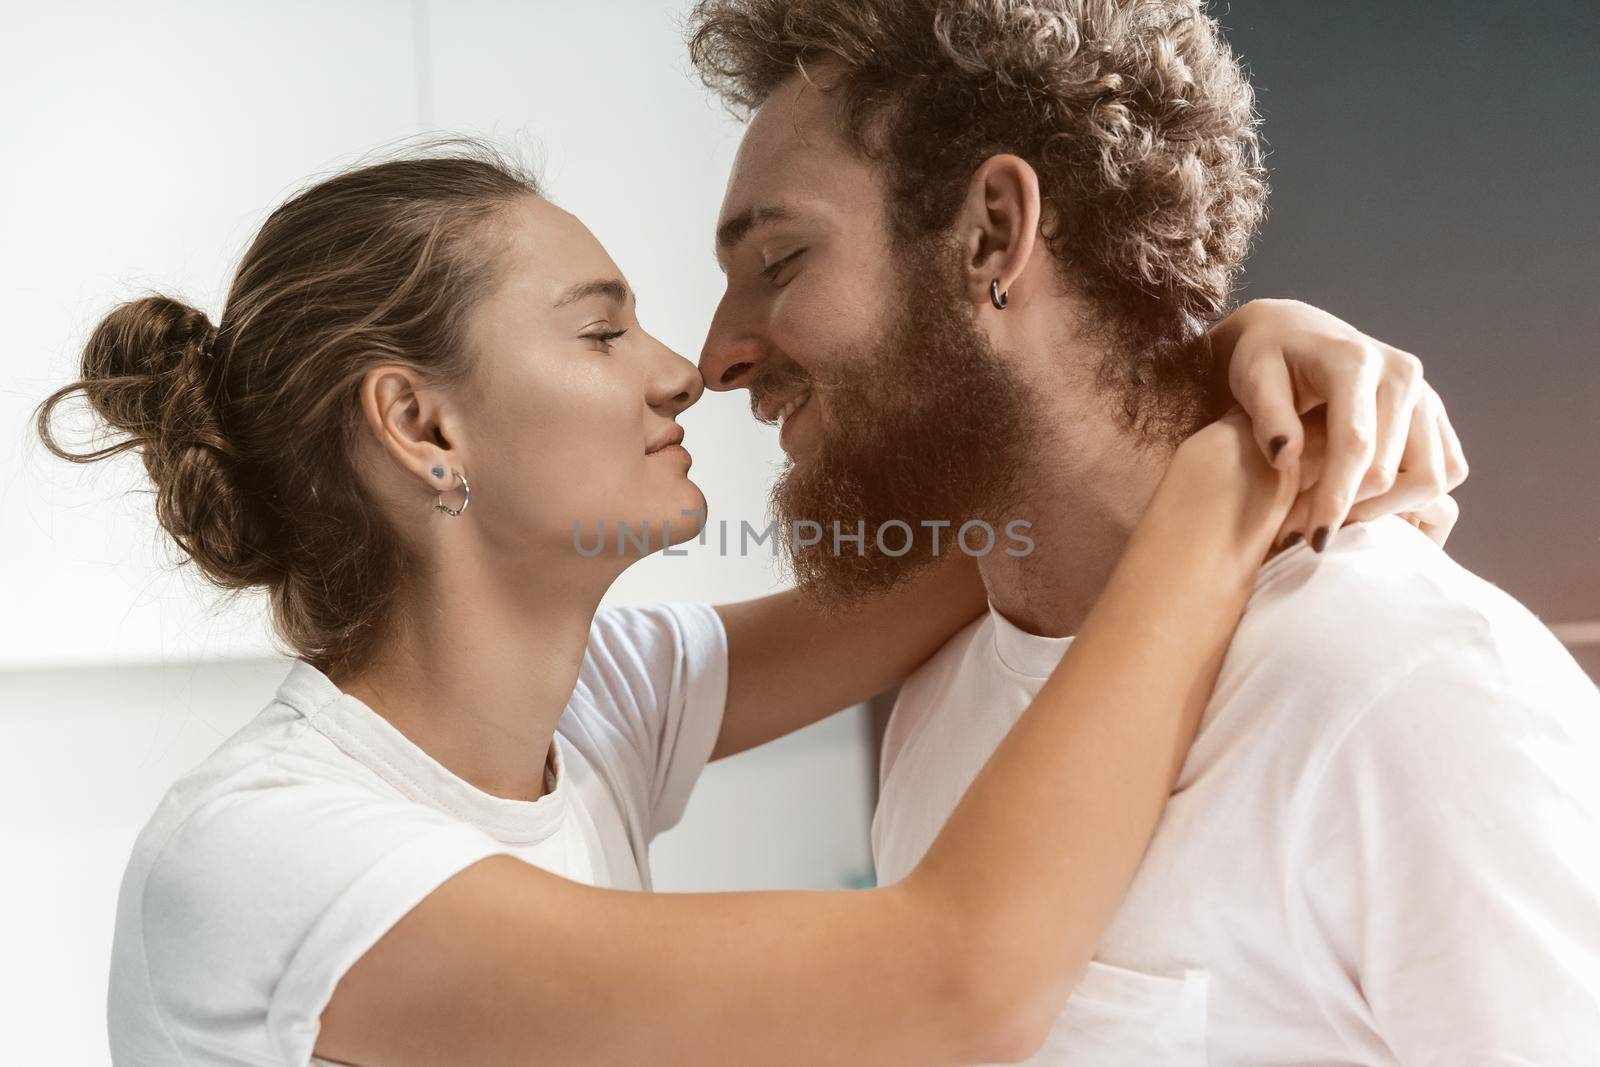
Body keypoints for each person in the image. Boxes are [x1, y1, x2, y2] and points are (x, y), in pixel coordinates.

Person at [35, 141, 1455, 1066]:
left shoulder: (593, 710)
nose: (682, 369)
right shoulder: (264, 857)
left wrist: (1240, 355)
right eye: (600, 330)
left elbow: (1019, 525)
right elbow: (957, 980)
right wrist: (1233, 478)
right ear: (422, 425)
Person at [688, 0, 1600, 1062]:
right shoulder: (944, 691)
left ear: (992, 233)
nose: (715, 358)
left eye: (781, 259)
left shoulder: (1409, 687)